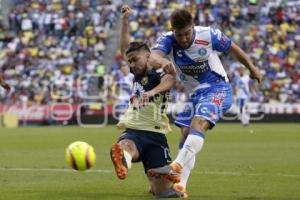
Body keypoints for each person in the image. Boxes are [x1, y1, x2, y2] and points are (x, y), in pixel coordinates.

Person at [147, 8, 263, 198]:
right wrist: (161, 62)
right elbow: (152, 56)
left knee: (198, 124)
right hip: (195, 95)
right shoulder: (168, 39)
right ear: (172, 30)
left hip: (218, 88)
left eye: (186, 33)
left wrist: (252, 68)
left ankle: (175, 166)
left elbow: (234, 49)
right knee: (185, 136)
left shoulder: (209, 35)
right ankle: (180, 186)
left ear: (193, 26)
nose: (183, 39)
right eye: (179, 34)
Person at [110, 5, 184, 198]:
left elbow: (170, 80)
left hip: (157, 134)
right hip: (135, 128)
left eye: (135, 60)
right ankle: (122, 158)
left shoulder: (159, 70)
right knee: (126, 147)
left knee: (162, 192)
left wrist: (151, 92)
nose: (132, 65)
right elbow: (126, 46)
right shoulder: (138, 75)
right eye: (129, 62)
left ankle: (157, 181)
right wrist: (125, 21)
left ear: (148, 55)